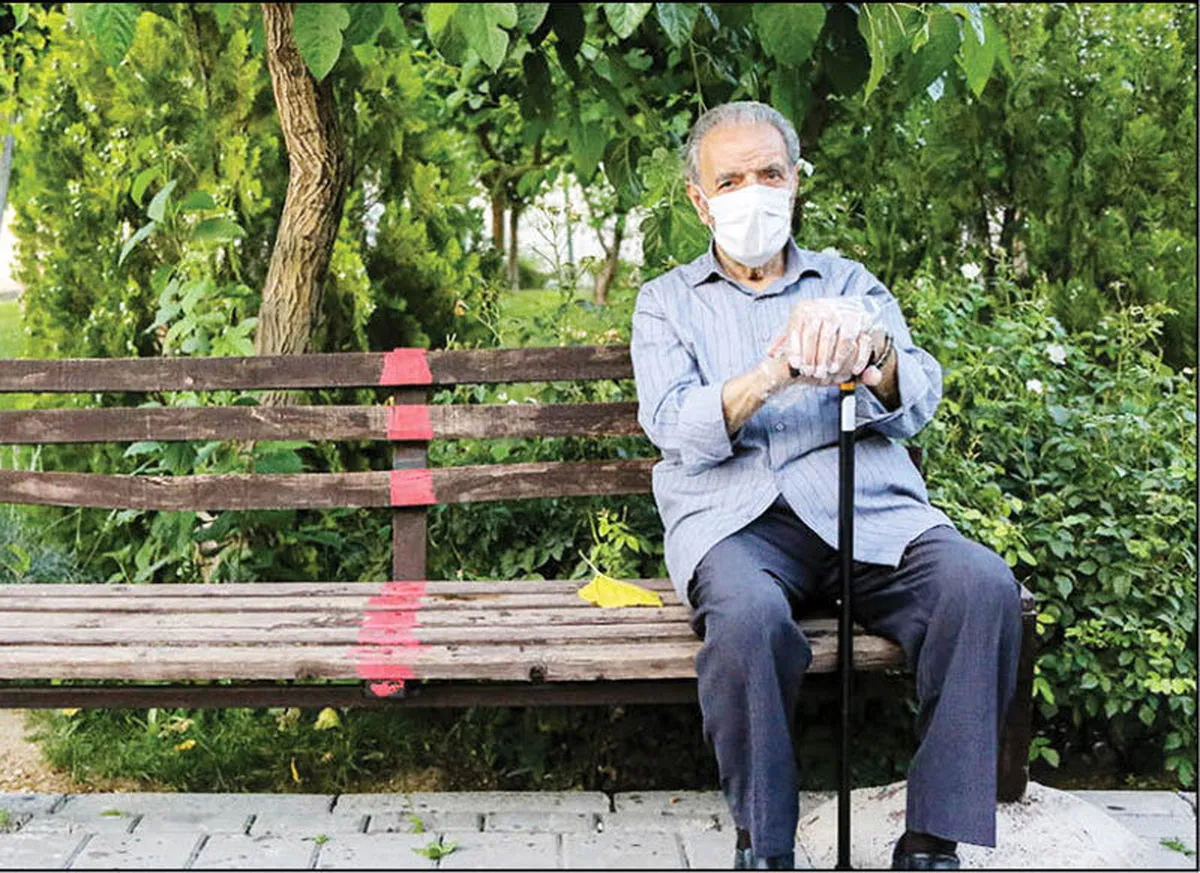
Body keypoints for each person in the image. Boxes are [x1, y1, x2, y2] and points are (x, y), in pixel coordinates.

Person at [629, 101, 1023, 871]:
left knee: (981, 586)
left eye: (769, 173)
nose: (752, 193)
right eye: (730, 180)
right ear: (700, 201)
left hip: (863, 509)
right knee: (747, 621)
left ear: (794, 182)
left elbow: (918, 400)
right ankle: (766, 846)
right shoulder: (666, 301)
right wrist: (771, 373)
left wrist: (875, 354)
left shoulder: (846, 280)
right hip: (735, 521)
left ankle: (931, 843)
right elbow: (674, 425)